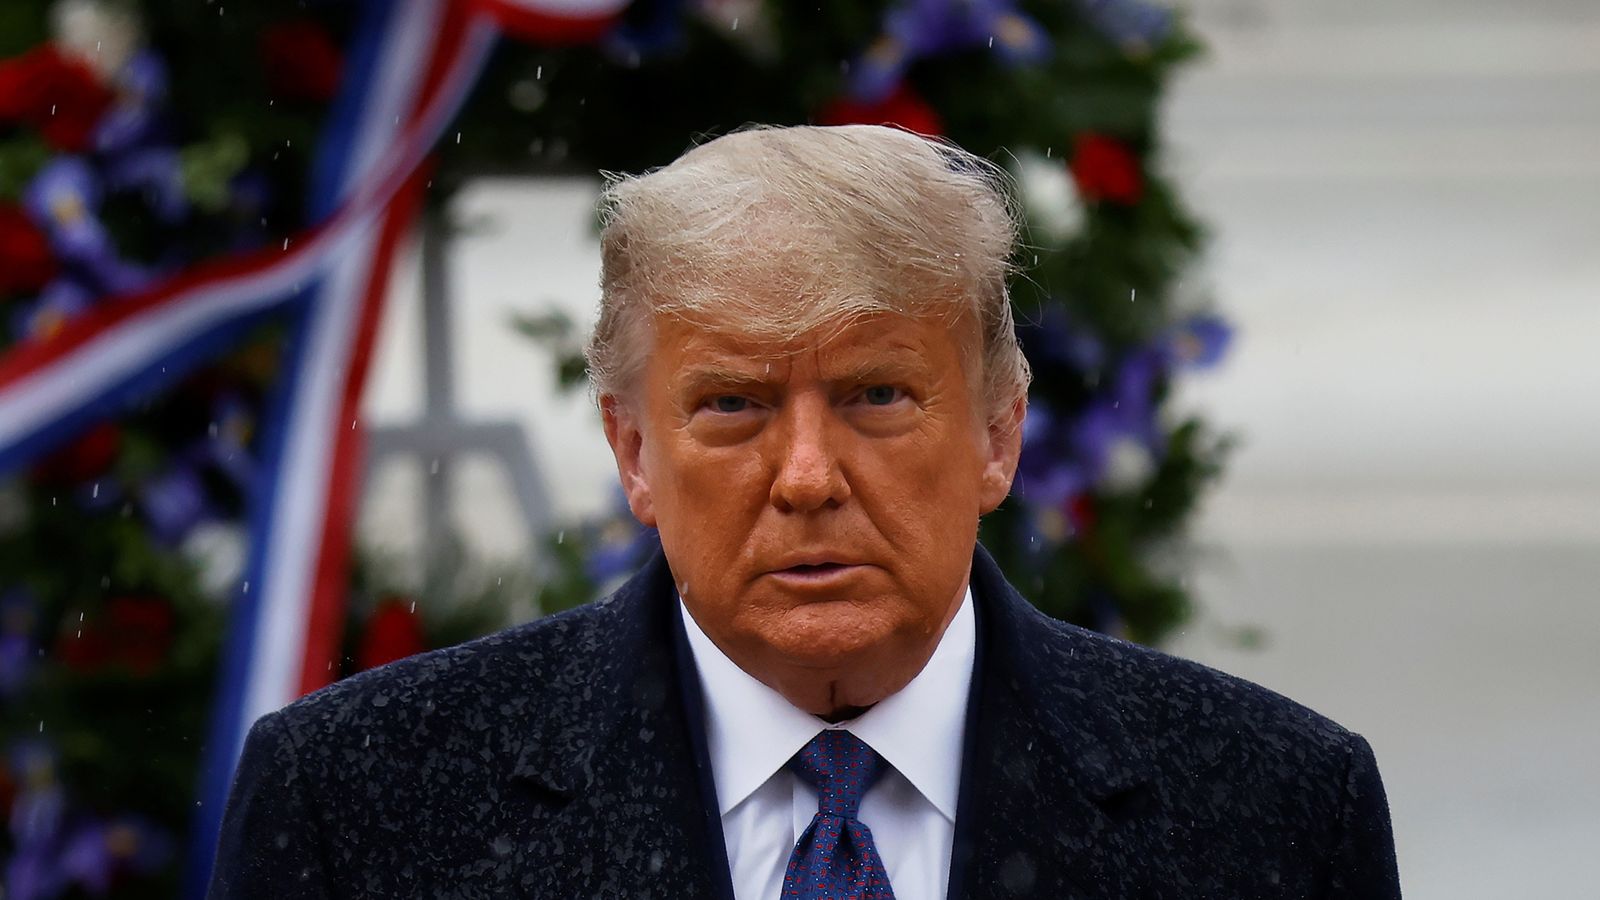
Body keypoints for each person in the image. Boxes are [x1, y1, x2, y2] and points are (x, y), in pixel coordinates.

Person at [208, 125, 1400, 899]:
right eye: (731, 405)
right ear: (631, 450)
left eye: (877, 395)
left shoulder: (1273, 817)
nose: (807, 475)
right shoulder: (359, 810)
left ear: (998, 432)